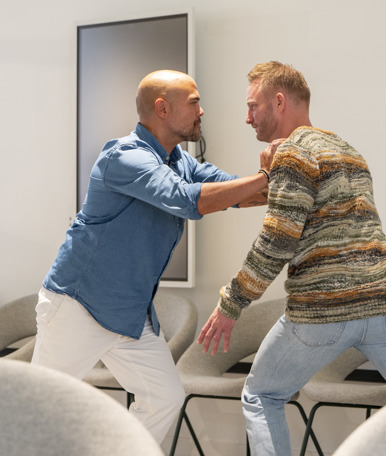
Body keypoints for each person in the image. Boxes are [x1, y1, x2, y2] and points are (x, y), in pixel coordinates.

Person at [198, 61, 386, 456]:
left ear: (279, 102)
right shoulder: (349, 151)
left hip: (324, 309)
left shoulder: (293, 153)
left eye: (252, 106)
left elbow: (277, 241)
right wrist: (271, 174)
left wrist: (231, 303)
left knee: (262, 395)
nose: (247, 117)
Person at [31, 69, 280, 444]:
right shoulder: (124, 157)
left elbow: (231, 192)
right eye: (194, 103)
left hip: (130, 315)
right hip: (78, 307)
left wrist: (286, 180)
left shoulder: (179, 160)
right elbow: (187, 200)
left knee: (164, 398)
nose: (201, 111)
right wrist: (264, 176)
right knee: (38, 408)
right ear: (163, 109)